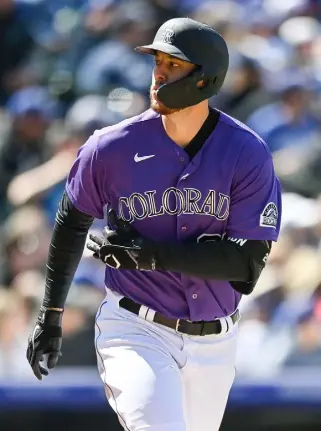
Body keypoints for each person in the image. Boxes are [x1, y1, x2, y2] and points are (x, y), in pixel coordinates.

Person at [26, 17, 282, 431]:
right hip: (135, 327)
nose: (159, 72)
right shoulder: (110, 148)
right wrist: (49, 314)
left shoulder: (246, 152)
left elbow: (246, 266)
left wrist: (153, 256)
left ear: (205, 80)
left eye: (174, 64)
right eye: (157, 61)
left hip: (216, 342)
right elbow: (72, 223)